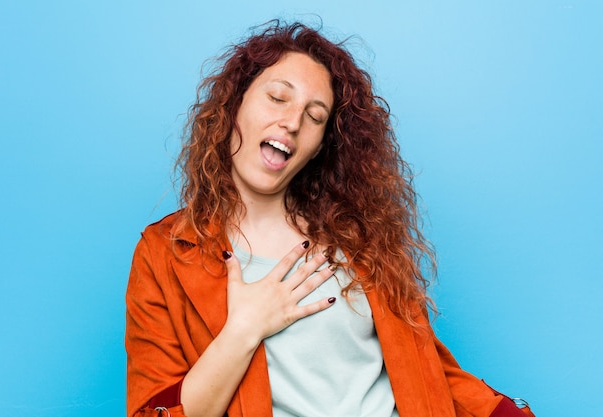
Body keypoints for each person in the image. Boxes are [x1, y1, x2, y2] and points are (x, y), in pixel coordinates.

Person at [125, 20, 535, 417]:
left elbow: (427, 372)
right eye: (277, 97)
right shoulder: (166, 252)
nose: (292, 122)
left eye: (315, 115)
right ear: (235, 103)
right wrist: (244, 329)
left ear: (321, 145)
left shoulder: (359, 241)